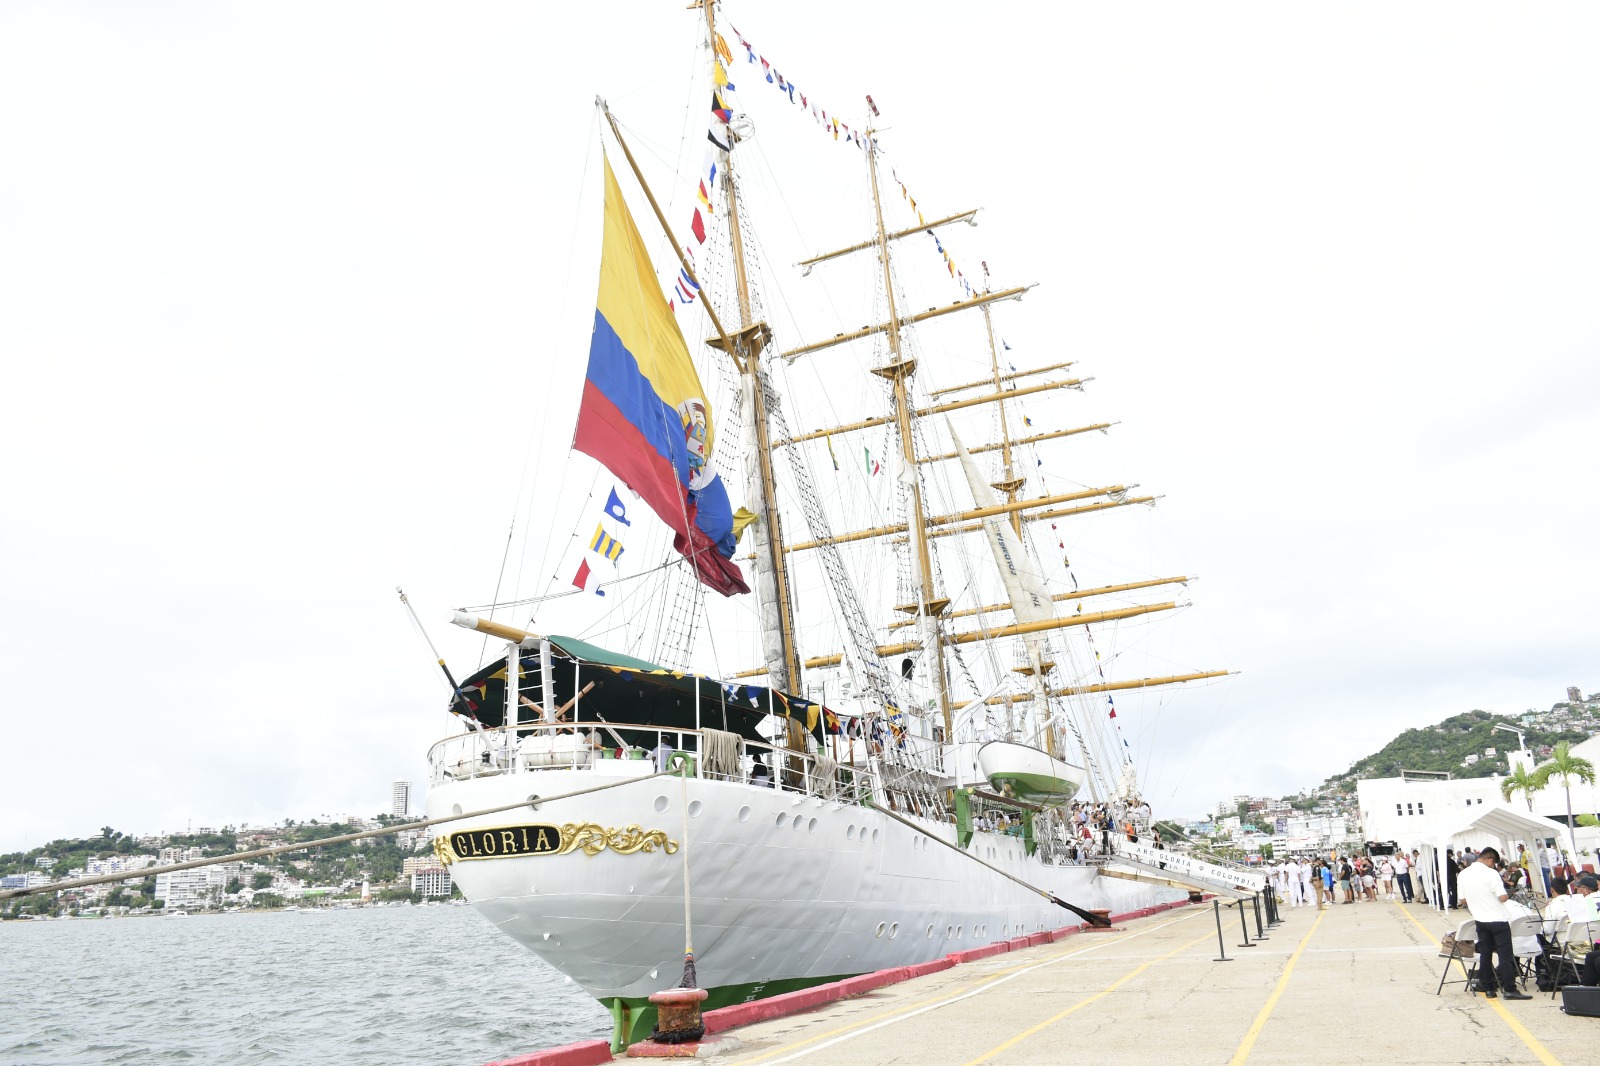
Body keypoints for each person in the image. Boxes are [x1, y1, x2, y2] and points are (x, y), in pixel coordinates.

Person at [1460, 847, 1531, 999]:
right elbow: (1503, 898)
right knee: (1505, 955)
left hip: (1480, 920)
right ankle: (1509, 989)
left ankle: (1489, 989)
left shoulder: (1463, 874)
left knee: (1485, 955)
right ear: (1490, 860)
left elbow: (1462, 900)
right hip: (1498, 919)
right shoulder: (1491, 873)